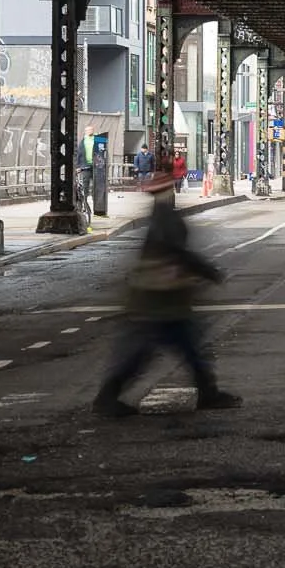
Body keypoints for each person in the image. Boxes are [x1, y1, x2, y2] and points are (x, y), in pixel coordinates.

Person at [92, 161, 238, 416]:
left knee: (169, 348)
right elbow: (178, 252)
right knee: (174, 348)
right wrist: (207, 271)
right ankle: (108, 397)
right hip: (162, 297)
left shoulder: (157, 217)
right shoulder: (166, 219)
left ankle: (109, 396)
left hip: (158, 296)